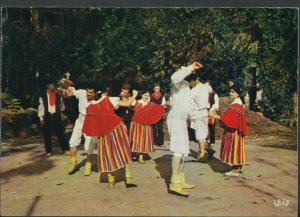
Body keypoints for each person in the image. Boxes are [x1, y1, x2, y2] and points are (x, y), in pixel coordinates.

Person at [82, 87, 139, 189]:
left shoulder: (110, 99)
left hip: (117, 128)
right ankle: (111, 181)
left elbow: (126, 104)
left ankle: (128, 176)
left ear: (97, 92)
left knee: (123, 150)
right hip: (104, 134)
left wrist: (134, 95)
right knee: (108, 155)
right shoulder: (90, 107)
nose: (88, 95)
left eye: (90, 92)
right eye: (87, 93)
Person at [167, 61, 203, 197]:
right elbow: (174, 77)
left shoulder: (188, 89)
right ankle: (174, 184)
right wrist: (191, 67)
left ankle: (181, 180)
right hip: (175, 117)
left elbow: (191, 110)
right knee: (177, 150)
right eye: (197, 78)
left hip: (181, 119)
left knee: (183, 151)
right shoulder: (179, 84)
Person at [209, 83, 248, 176]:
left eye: (232, 92)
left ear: (238, 94)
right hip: (237, 131)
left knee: (234, 148)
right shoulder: (238, 104)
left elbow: (229, 120)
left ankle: (235, 170)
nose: (230, 93)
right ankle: (238, 167)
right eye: (230, 91)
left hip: (233, 131)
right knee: (237, 148)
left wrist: (215, 116)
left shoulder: (235, 106)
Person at [66, 82, 98, 176]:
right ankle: (73, 162)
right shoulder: (81, 93)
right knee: (72, 142)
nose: (88, 94)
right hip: (80, 120)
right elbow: (70, 92)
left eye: (91, 92)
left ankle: (88, 165)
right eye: (87, 91)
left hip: (90, 123)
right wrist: (69, 88)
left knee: (88, 146)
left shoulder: (97, 102)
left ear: (95, 93)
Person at [130, 89, 164, 164]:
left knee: (143, 140)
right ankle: (134, 153)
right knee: (136, 139)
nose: (146, 97)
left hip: (146, 124)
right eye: (145, 95)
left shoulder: (150, 104)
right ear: (142, 95)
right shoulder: (136, 102)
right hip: (136, 124)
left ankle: (141, 156)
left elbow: (159, 109)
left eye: (148, 95)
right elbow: (128, 103)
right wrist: (133, 95)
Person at [38, 79, 69, 157]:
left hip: (56, 115)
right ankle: (48, 151)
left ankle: (65, 149)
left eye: (53, 85)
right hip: (47, 116)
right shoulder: (43, 95)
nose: (52, 86)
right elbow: (41, 107)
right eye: (50, 85)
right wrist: (41, 118)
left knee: (60, 133)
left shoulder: (58, 95)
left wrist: (62, 105)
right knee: (47, 134)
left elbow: (62, 109)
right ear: (47, 86)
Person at [189, 71, 214, 161]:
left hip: (198, 112)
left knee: (200, 135)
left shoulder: (194, 90)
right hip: (205, 112)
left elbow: (190, 103)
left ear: (196, 80)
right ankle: (209, 150)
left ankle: (202, 154)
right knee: (203, 133)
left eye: (191, 80)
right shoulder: (206, 88)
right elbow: (211, 93)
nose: (190, 83)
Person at [207, 80, 219, 148]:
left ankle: (212, 141)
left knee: (212, 127)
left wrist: (211, 110)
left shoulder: (214, 94)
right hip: (204, 112)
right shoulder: (204, 93)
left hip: (211, 112)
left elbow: (216, 105)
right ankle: (205, 140)